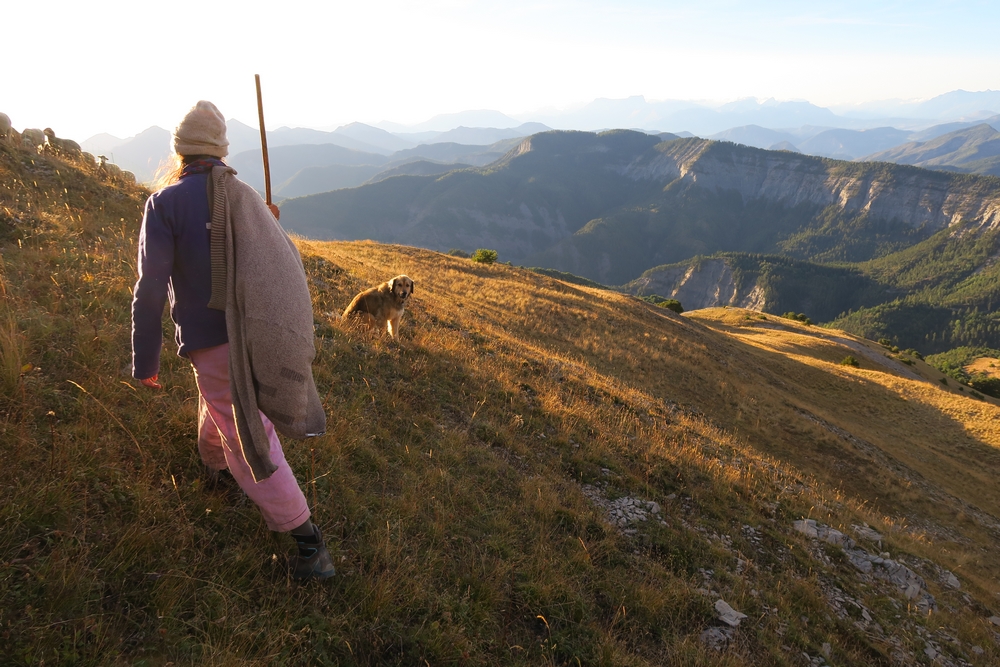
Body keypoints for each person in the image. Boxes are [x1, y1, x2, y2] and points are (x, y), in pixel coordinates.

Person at [130, 101, 334, 580]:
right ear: (221, 150)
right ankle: (214, 470)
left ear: (180, 150)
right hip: (254, 334)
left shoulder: (164, 204)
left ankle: (309, 543)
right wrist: (269, 221)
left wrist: (145, 359)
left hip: (211, 342)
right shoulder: (241, 195)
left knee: (249, 437)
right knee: (221, 407)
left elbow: (151, 287)